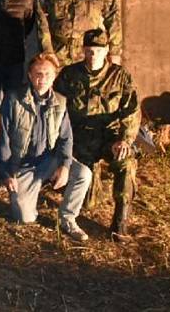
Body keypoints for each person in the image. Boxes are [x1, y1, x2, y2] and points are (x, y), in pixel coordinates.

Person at [55, 29, 140, 241]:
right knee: (89, 202)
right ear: (83, 50)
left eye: (98, 51)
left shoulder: (120, 76)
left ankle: (120, 224)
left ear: (107, 51)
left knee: (126, 163)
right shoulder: (69, 74)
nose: (93, 55)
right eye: (89, 50)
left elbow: (132, 111)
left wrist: (124, 140)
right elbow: (55, 105)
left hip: (109, 138)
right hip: (78, 139)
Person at [0, 52, 92, 241]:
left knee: (83, 174)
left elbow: (66, 139)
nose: (42, 79)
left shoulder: (60, 102)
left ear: (55, 76)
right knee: (24, 218)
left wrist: (64, 166)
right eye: (38, 74)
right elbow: (3, 140)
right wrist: (7, 173)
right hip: (23, 166)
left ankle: (67, 218)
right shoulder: (13, 99)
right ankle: (29, 194)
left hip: (49, 160)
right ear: (30, 76)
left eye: (48, 74)